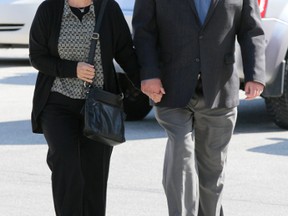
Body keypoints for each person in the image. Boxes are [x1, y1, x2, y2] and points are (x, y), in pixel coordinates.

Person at [132, 0, 265, 215]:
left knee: (212, 171)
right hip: (170, 87)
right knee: (180, 152)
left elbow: (252, 30)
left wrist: (255, 75)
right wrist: (149, 74)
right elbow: (143, 30)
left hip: (219, 89)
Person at [29, 0, 139, 215]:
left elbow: (125, 52)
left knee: (94, 174)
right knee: (65, 165)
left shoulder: (108, 8)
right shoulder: (49, 9)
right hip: (57, 102)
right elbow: (37, 56)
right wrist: (72, 69)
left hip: (100, 105)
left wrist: (147, 83)